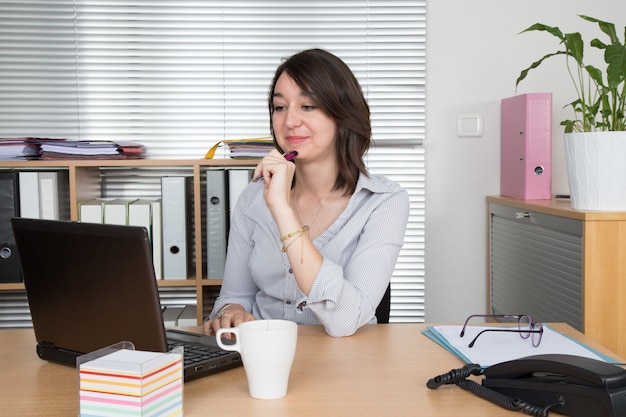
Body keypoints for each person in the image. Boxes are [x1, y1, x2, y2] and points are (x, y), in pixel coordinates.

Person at [204, 48, 409, 337]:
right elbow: (233, 296)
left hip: (345, 363)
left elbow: (346, 320)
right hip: (264, 355)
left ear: (343, 114)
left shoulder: (383, 202)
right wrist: (231, 312)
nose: (289, 122)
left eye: (308, 106)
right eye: (279, 107)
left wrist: (283, 210)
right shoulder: (252, 197)